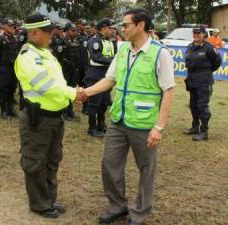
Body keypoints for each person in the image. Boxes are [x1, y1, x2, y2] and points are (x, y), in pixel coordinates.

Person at [82, 8, 175, 225]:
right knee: (109, 164)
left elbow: (169, 90)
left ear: (140, 25)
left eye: (125, 25)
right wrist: (86, 92)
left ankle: (139, 212)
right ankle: (117, 206)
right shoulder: (122, 50)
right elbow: (109, 79)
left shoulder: (160, 54)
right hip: (118, 120)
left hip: (144, 124)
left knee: (146, 169)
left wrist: (159, 127)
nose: (122, 29)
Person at [15, 13, 87, 219]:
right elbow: (47, 87)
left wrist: (71, 93)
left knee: (52, 159)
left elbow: (59, 82)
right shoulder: (28, 56)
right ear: (35, 33)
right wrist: (75, 94)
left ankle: (49, 198)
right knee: (36, 161)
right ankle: (40, 204)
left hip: (55, 117)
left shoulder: (45, 53)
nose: (52, 35)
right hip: (39, 119)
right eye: (48, 32)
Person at [184, 25, 222, 141]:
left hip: (204, 81)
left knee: (202, 106)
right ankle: (195, 127)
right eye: (194, 33)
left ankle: (204, 132)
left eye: (198, 33)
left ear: (204, 34)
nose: (196, 35)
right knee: (193, 105)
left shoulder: (209, 48)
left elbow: (217, 62)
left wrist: (206, 71)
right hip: (192, 80)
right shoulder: (190, 46)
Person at [84, 18, 115, 137]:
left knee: (104, 102)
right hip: (95, 75)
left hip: (106, 75)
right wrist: (112, 61)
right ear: (104, 28)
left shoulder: (109, 41)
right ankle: (92, 128)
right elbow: (96, 57)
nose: (112, 30)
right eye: (110, 28)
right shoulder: (95, 41)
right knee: (94, 103)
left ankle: (101, 125)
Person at [0, 18, 20, 119]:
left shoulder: (14, 38)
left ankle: (10, 109)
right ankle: (3, 111)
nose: (12, 28)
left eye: (13, 26)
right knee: (3, 89)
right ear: (4, 26)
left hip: (13, 68)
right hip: (3, 69)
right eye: (10, 26)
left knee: (12, 88)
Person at [61, 23, 84, 120]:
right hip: (66, 71)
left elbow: (79, 55)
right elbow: (60, 57)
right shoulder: (62, 41)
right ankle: (64, 112)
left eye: (75, 30)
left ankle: (70, 111)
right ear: (67, 30)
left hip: (75, 70)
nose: (75, 32)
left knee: (72, 90)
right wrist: (69, 65)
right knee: (65, 91)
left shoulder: (76, 40)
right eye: (72, 30)